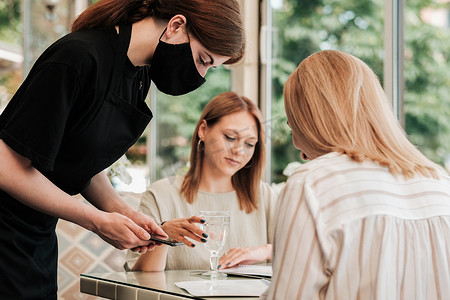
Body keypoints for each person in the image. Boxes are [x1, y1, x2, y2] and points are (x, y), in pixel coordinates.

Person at [0, 0, 245, 298]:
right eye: (204, 60)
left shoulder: (139, 77)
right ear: (177, 25)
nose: (201, 76)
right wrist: (95, 220)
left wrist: (126, 214)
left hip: (35, 235)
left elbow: (81, 161)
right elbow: (7, 165)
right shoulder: (78, 57)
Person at [261, 50, 450, 299]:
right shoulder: (441, 181)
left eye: (293, 126)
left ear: (309, 121)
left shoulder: (311, 184)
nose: (298, 146)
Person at [125, 91, 279, 271]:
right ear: (203, 130)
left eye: (250, 144)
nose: (239, 150)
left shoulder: (265, 196)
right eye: (230, 137)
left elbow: (303, 254)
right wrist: (163, 236)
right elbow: (138, 280)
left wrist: (266, 251)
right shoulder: (161, 195)